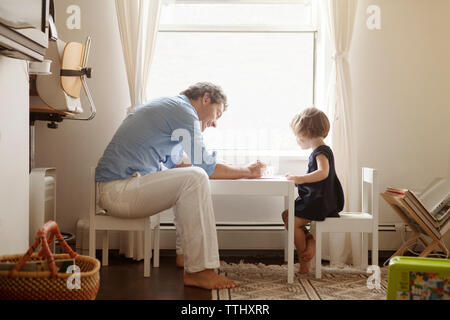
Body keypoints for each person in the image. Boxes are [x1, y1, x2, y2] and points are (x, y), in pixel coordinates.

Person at [95, 82, 266, 290]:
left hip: (121, 187)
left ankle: (186, 256)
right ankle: (199, 271)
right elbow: (205, 167)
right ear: (205, 99)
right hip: (119, 191)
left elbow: (183, 163)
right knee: (194, 177)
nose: (215, 123)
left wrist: (235, 170)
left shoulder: (172, 111)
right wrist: (247, 172)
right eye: (217, 114)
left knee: (188, 177)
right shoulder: (183, 111)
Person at [281, 107, 344, 274]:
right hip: (318, 199)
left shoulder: (321, 151)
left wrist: (300, 179)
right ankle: (309, 239)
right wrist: (298, 180)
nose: (297, 139)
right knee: (287, 215)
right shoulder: (319, 150)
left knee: (292, 222)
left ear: (307, 131)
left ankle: (304, 260)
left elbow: (323, 173)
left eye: (297, 135)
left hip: (321, 202)